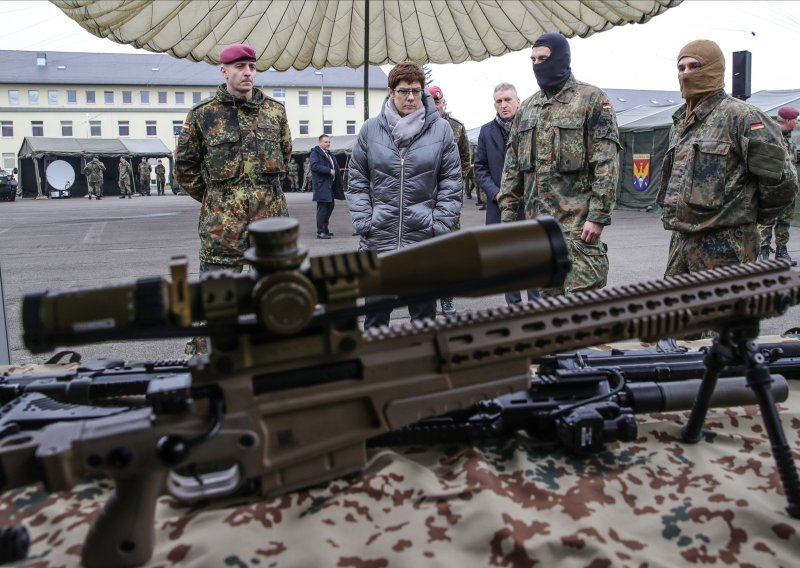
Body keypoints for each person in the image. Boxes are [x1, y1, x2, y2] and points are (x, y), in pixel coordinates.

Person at [176, 42, 291, 355]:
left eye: (252, 67)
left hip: (271, 226)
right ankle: (210, 364)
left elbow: (286, 155)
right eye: (240, 67)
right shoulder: (203, 116)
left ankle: (275, 360)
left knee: (277, 296)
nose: (248, 73)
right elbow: (184, 168)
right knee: (216, 301)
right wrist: (218, 201)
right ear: (224, 71)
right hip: (222, 231)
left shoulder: (274, 111)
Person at [658, 40, 797, 279]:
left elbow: (782, 181)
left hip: (726, 248)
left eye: (695, 66)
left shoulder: (742, 116)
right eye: (681, 68)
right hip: (681, 243)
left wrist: (747, 216)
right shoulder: (682, 121)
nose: (687, 74)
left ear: (715, 68)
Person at [499, 32, 620, 298]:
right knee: (551, 314)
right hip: (540, 234)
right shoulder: (527, 109)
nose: (537, 65)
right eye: (533, 59)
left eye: (543, 58)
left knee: (582, 315)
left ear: (562, 58)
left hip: (578, 232)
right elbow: (512, 170)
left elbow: (606, 164)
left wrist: (598, 216)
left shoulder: (591, 100)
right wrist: (507, 220)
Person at [347, 60, 462, 330]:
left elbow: (452, 179)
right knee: (376, 318)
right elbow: (357, 178)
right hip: (379, 239)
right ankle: (376, 370)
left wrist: (440, 223)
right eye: (403, 91)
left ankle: (423, 370)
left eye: (416, 90)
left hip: (423, 239)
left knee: (423, 319)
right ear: (390, 91)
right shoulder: (370, 130)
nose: (411, 97)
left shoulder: (441, 130)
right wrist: (365, 220)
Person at [475, 82, 538, 305]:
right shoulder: (486, 131)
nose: (504, 105)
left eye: (508, 100)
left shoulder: (532, 127)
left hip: (529, 206)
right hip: (500, 207)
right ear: (494, 105)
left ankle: (536, 308)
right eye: (499, 101)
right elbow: (480, 167)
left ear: (518, 102)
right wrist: (496, 194)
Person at [428, 84, 469, 317]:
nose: (435, 106)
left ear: (444, 104)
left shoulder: (457, 129)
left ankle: (447, 300)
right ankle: (428, 300)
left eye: (438, 102)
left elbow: (465, 161)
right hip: (423, 200)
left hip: (448, 201)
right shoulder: (419, 128)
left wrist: (450, 187)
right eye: (431, 102)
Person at [757, 106, 799, 266]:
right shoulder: (770, 136)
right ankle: (763, 253)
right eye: (795, 119)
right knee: (766, 221)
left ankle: (782, 253)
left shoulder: (787, 137)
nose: (797, 122)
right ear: (788, 120)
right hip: (772, 188)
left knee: (784, 220)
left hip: (787, 189)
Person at [310, 134, 344, 239]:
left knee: (330, 206)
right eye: (326, 142)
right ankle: (320, 232)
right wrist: (328, 170)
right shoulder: (315, 153)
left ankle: (325, 229)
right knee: (323, 209)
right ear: (320, 143)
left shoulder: (329, 154)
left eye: (329, 142)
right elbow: (314, 166)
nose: (328, 144)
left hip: (330, 186)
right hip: (322, 186)